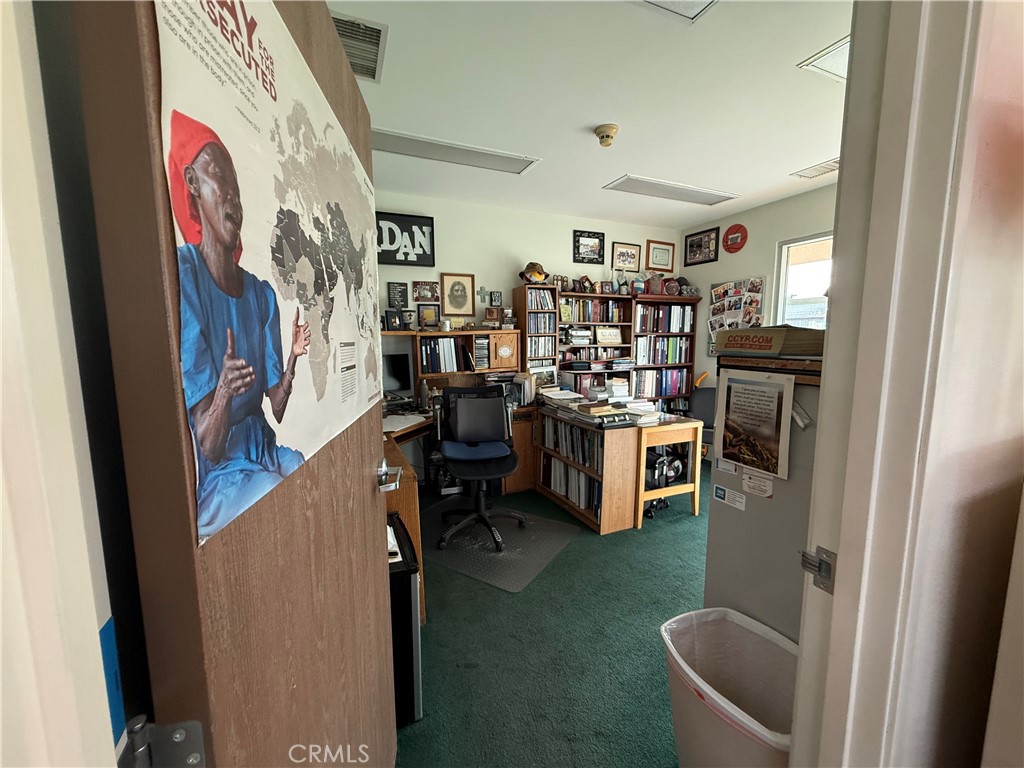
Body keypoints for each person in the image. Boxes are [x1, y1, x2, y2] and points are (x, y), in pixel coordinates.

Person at [168, 110, 311, 538]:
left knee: (306, 478)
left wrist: (292, 361)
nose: (231, 197)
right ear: (192, 182)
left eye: (236, 187)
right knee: (276, 502)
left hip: (263, 449)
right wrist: (225, 393)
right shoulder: (185, 276)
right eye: (218, 180)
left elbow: (278, 409)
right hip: (223, 474)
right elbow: (208, 445)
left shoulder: (261, 295)